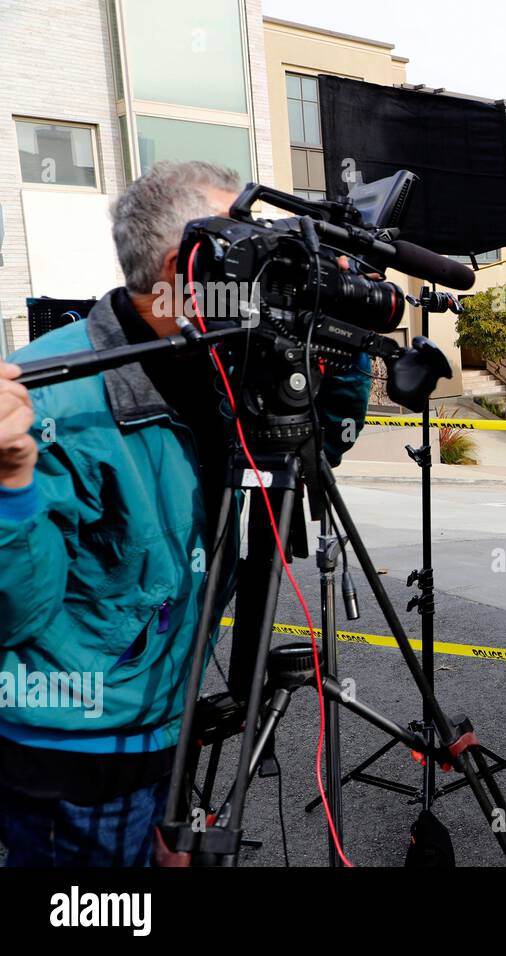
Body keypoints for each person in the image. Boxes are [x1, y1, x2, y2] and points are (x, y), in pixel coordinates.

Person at [0, 161, 369, 866]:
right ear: (186, 266)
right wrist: (10, 481)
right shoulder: (52, 398)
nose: (271, 269)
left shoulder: (224, 367)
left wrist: (339, 347)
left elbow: (317, 446)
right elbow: (12, 613)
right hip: (72, 754)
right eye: (250, 248)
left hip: (163, 725)